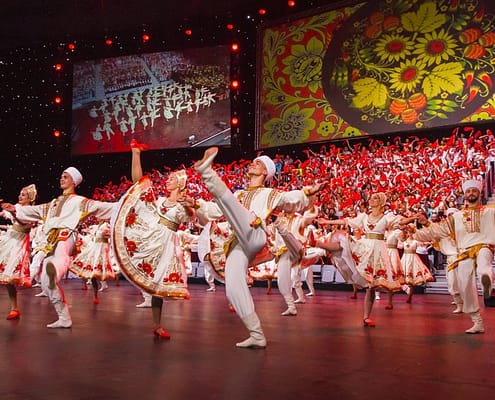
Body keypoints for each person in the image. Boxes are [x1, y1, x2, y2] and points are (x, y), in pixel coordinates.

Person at [191, 147, 324, 348]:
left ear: (265, 172)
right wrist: (194, 203)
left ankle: (207, 172)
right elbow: (218, 209)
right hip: (238, 242)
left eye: (258, 163)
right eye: (253, 162)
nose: (252, 164)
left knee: (240, 212)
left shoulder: (271, 194)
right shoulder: (239, 194)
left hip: (255, 233)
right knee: (233, 288)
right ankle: (257, 334)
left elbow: (291, 200)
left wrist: (308, 192)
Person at [1, 168, 116, 328]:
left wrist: (125, 204)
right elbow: (35, 210)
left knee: (58, 258)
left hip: (66, 236)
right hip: (51, 241)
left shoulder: (80, 202)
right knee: (46, 282)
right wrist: (15, 210)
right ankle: (64, 318)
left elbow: (103, 207)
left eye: (65, 177)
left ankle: (55, 269)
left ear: (74, 181)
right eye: (61, 176)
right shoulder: (54, 202)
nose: (61, 179)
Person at [112, 141, 195, 339]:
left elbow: (190, 215)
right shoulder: (160, 202)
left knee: (159, 285)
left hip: (167, 244)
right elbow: (139, 184)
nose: (167, 180)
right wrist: (136, 154)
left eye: (172, 179)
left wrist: (187, 204)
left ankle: (157, 325)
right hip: (152, 238)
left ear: (180, 184)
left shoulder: (183, 204)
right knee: (142, 188)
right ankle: (156, 325)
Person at [413, 179, 495, 334]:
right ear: (464, 195)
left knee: (483, 264)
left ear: (480, 193)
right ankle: (477, 321)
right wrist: (424, 225)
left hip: (485, 245)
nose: (471, 193)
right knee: (464, 284)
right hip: (463, 252)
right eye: (468, 191)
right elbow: (438, 231)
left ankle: (487, 284)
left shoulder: (490, 212)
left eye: (474, 190)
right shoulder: (456, 217)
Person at [316, 192, 403, 327]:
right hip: (365, 247)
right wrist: (327, 221)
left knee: (371, 286)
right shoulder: (364, 217)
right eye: (371, 198)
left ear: (381, 202)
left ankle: (366, 317)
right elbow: (346, 221)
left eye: (375, 198)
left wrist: (414, 218)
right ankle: (319, 244)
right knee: (344, 242)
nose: (371, 199)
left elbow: (401, 221)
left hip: (378, 251)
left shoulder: (387, 217)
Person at [0, 184, 37, 320]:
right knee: (7, 278)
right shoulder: (17, 206)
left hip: (18, 244)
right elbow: (5, 214)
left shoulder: (32, 211)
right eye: (20, 194)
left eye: (23, 195)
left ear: (30, 198)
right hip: (9, 239)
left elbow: (24, 225)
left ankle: (14, 308)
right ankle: (14, 308)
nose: (20, 196)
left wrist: (14, 213)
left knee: (10, 277)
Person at [70, 219, 115, 304]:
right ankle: (95, 296)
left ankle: (101, 287)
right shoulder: (96, 226)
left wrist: (106, 235)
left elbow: (109, 236)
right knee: (91, 273)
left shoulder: (106, 225)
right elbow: (90, 233)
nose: (98, 217)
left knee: (97, 270)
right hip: (94, 248)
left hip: (101, 249)